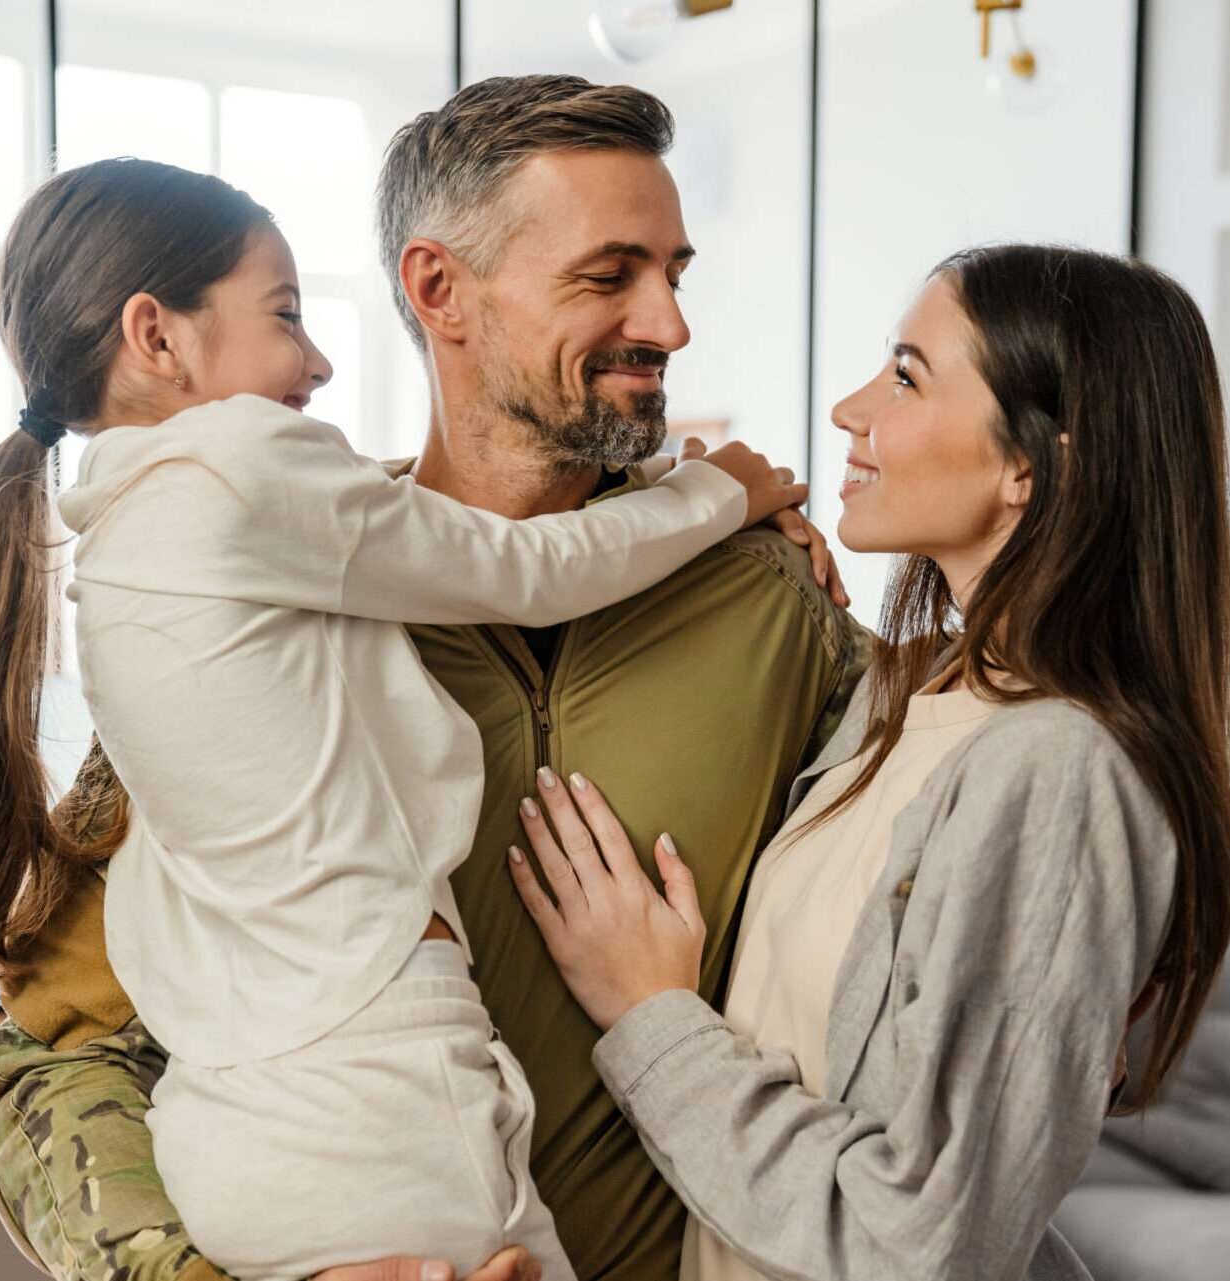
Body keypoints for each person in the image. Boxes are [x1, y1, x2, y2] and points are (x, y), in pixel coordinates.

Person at [0, 77, 869, 1281]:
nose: (669, 326)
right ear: (438, 289)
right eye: (608, 277)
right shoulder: (255, 615)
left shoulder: (774, 606)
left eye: (676, 273)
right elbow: (56, 1054)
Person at [508, 245, 1230, 1281]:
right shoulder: (909, 700)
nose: (851, 411)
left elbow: (925, 1240)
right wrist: (715, 533)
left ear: (1030, 465)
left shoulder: (1059, 773)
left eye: (904, 376)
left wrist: (649, 1015)